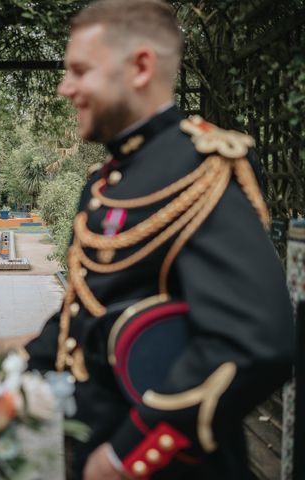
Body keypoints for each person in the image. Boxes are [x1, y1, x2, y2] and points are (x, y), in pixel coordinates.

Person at [25, 1, 294, 479]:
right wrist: (6, 378)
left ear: (141, 66)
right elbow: (85, 312)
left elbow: (255, 342)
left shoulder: (202, 165)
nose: (66, 88)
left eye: (80, 71)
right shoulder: (104, 182)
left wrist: (126, 457)